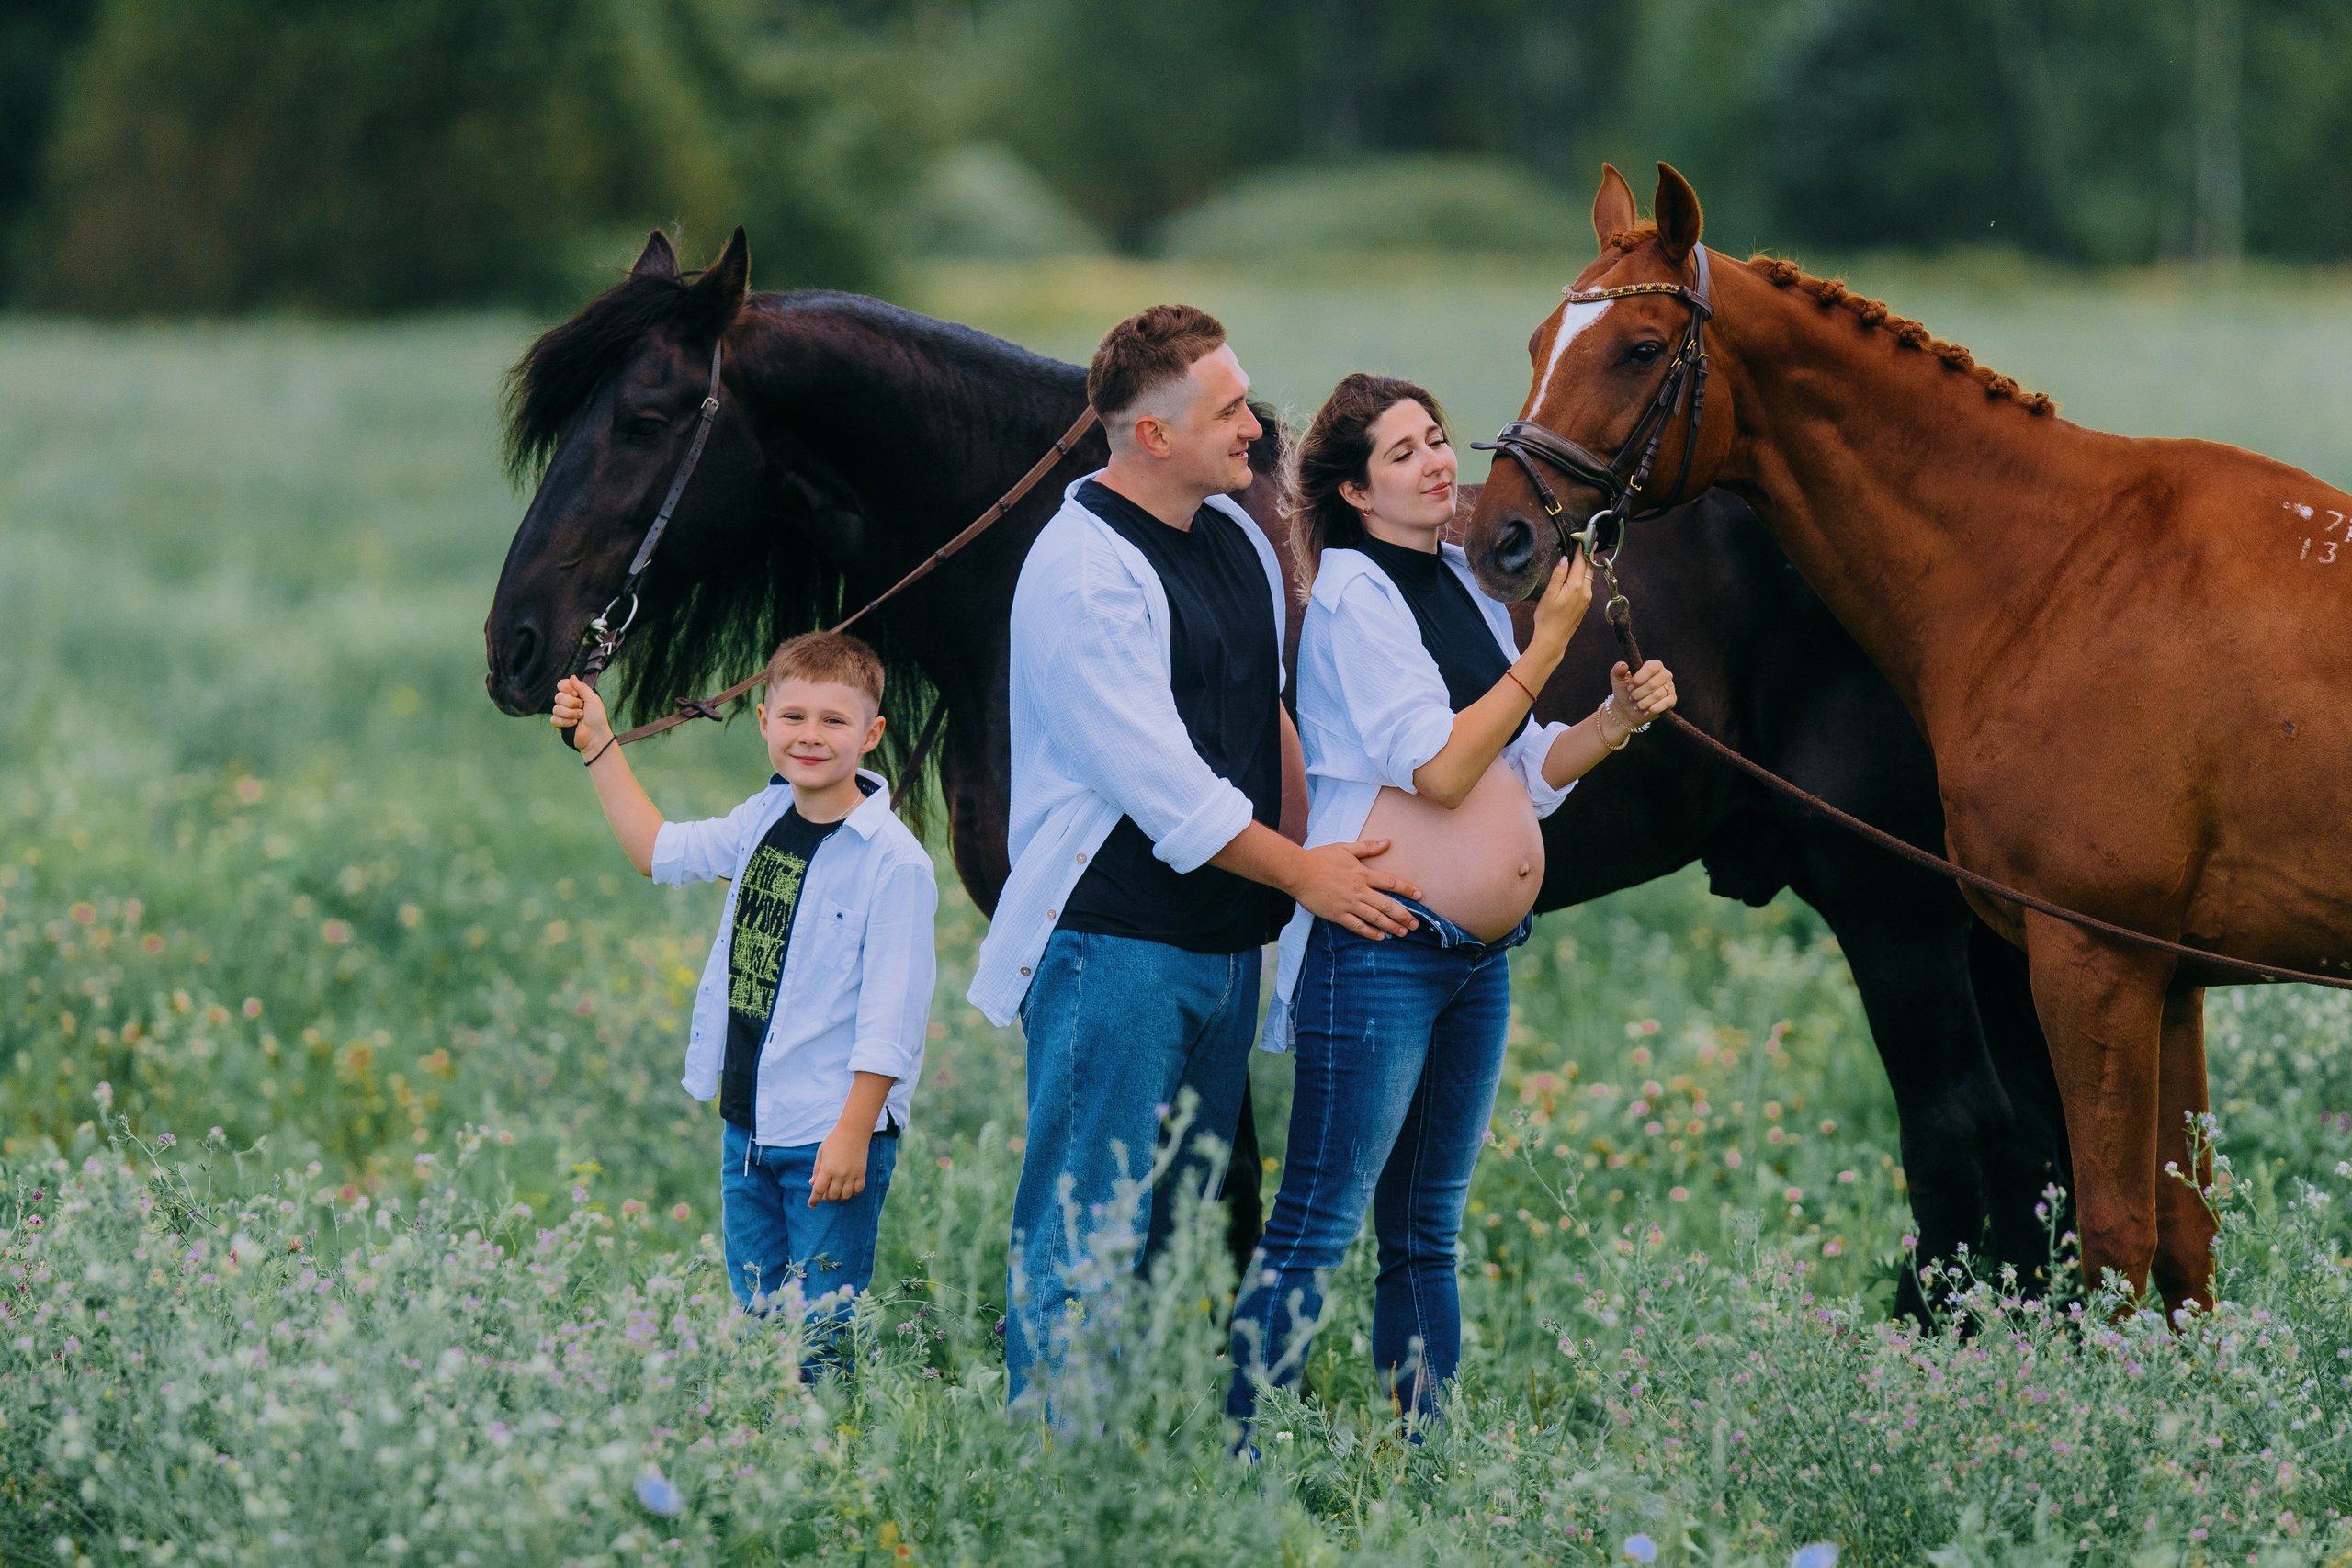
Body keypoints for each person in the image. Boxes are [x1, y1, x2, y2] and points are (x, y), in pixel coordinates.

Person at [968, 306, 1421, 1412]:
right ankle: (1058, 1488)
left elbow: (1269, 712)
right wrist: (1309, 876)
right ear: (1151, 437)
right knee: (1084, 1230)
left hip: (1223, 947)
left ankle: (1151, 1466)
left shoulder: (1233, 540)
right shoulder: (1083, 572)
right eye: (1228, 412)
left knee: (1177, 1232)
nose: (1255, 431)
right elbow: (1162, 786)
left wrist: (1321, 853)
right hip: (1112, 948)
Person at [1227, 374, 1678, 1433]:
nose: (1438, 463)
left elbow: (1517, 770)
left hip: (1475, 958)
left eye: (1437, 440)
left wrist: (1610, 721)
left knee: (1426, 1230)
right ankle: (1241, 1454)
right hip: (1380, 950)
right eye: (1403, 453)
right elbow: (1435, 771)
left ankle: (1422, 1450)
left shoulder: (1465, 591)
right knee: (1316, 1225)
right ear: (1350, 493)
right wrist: (1549, 649)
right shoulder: (1350, 600)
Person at [552, 631, 935, 1359]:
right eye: (793, 717)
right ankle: (766, 1456)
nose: (811, 737)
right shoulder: (760, 821)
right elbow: (656, 850)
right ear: (763, 721)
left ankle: (830, 1459)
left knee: (821, 1334)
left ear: (873, 733)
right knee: (758, 1323)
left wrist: (854, 1131)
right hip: (750, 1127)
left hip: (830, 1131)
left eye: (834, 720)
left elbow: (894, 1017)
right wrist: (599, 743)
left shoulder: (893, 863)